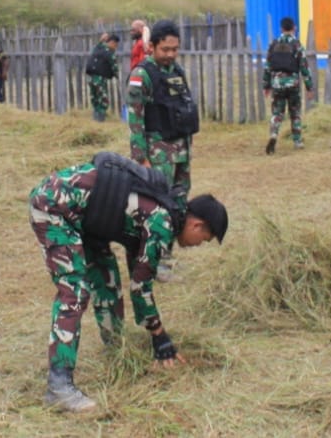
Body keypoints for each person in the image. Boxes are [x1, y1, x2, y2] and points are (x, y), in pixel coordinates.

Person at [29, 151, 227, 412]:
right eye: (204, 239)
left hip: (84, 219)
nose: (198, 245)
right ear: (197, 225)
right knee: (74, 291)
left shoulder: (165, 210)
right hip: (55, 207)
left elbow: (138, 274)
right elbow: (140, 287)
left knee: (106, 278)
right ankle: (59, 386)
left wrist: (154, 330)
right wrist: (159, 336)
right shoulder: (163, 221)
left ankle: (116, 350)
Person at [126, 20, 198, 204]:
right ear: (152, 46)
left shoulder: (177, 71)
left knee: (180, 202)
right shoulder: (141, 74)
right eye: (165, 49)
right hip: (158, 154)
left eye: (175, 49)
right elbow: (135, 120)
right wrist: (141, 159)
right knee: (159, 203)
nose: (171, 54)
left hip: (182, 150)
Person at [261, 17, 315, 154]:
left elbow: (267, 67)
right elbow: (304, 67)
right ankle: (297, 141)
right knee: (295, 112)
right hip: (293, 84)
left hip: (277, 84)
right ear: (294, 28)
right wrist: (309, 87)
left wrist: (266, 86)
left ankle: (273, 134)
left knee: (277, 112)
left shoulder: (274, 44)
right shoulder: (297, 45)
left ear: (281, 28)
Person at [85, 33, 120, 122]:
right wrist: (117, 76)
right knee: (103, 98)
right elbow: (115, 66)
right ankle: (100, 119)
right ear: (112, 42)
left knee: (94, 97)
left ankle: (95, 118)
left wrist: (101, 40)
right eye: (115, 45)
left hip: (90, 77)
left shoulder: (98, 48)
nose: (116, 48)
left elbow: (99, 43)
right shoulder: (109, 52)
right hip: (100, 78)